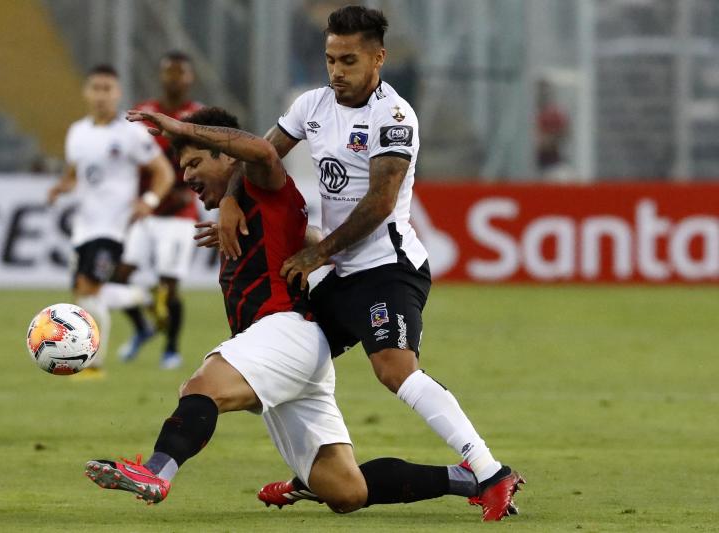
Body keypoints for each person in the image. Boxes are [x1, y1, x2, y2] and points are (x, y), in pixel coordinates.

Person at [84, 107, 507, 515]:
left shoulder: (261, 181)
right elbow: (311, 236)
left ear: (226, 154)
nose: (187, 175)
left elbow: (265, 152)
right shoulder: (252, 206)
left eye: (194, 161)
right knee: (344, 490)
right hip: (299, 352)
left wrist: (181, 127)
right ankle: (467, 479)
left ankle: (156, 472)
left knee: (202, 387)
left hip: (284, 333)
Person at [217, 5, 523, 520]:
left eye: (349, 61)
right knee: (290, 361)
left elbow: (381, 202)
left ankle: (491, 474)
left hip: (386, 268)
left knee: (395, 370)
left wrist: (317, 252)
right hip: (342, 273)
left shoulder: (394, 116)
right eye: (330, 59)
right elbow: (258, 155)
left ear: (378, 58)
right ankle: (319, 476)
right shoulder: (311, 104)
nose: (336, 71)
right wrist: (229, 198)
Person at [47, 64, 174, 379]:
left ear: (117, 93)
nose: (101, 95)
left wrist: (149, 201)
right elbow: (77, 172)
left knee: (89, 292)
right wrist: (62, 186)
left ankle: (93, 366)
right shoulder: (76, 132)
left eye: (108, 89)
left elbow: (164, 172)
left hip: (113, 227)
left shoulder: (131, 133)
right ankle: (146, 296)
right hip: (83, 226)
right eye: (96, 88)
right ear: (86, 92)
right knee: (85, 293)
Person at [111, 51, 204, 370]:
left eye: (181, 72)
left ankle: (171, 348)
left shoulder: (198, 116)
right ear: (160, 76)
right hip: (146, 210)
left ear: (191, 78)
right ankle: (143, 328)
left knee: (170, 284)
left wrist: (190, 189)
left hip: (179, 215)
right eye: (169, 72)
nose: (175, 78)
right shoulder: (145, 113)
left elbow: (214, 164)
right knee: (118, 276)